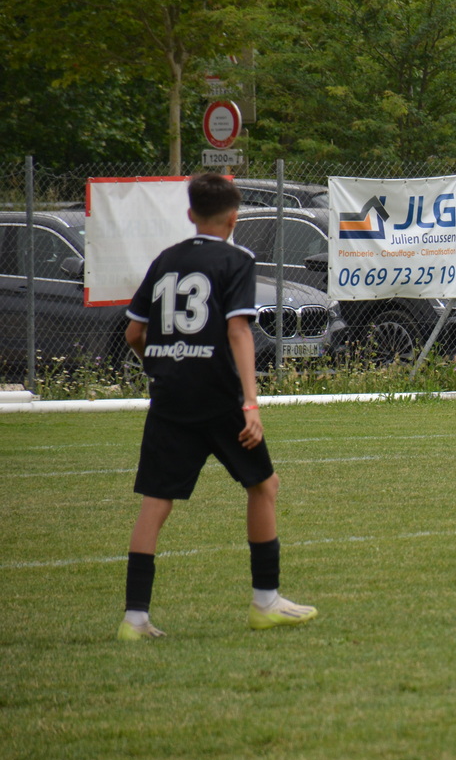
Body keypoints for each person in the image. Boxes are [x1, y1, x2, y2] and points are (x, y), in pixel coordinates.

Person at [117, 173, 318, 640]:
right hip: (219, 396)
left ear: (190, 215)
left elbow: (134, 333)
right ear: (234, 218)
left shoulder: (165, 260)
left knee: (156, 502)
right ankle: (265, 602)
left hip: (169, 395)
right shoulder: (237, 259)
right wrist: (251, 402)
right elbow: (238, 331)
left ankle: (134, 618)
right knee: (263, 485)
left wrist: (161, 367)